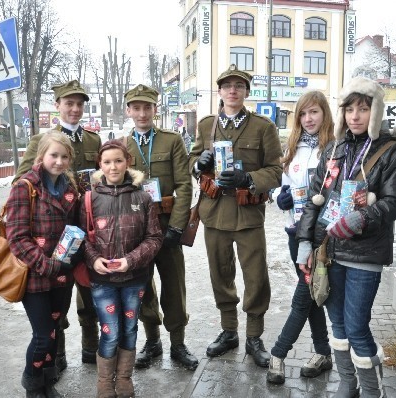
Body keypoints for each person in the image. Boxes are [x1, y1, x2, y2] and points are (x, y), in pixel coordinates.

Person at [295, 77, 396, 398]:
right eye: (349, 109)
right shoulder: (333, 150)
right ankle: (348, 384)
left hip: (365, 254)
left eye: (363, 108)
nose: (355, 116)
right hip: (329, 252)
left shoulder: (391, 151)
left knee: (357, 327)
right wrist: (306, 241)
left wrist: (362, 217)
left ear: (375, 112)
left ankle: (373, 391)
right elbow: (315, 199)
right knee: (339, 327)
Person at [188, 64, 282, 368]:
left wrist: (247, 179)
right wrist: (199, 163)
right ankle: (229, 331)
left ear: (246, 91)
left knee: (256, 277)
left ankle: (254, 336)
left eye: (238, 86)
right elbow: (192, 159)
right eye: (227, 86)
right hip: (214, 212)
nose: (232, 90)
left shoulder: (263, 127)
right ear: (219, 91)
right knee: (220, 273)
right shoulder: (206, 126)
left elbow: (276, 171)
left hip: (247, 213)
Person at [15, 80, 102, 370]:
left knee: (89, 296)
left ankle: (91, 349)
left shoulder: (92, 141)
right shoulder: (41, 140)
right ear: (58, 106)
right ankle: (58, 355)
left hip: (85, 231)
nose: (75, 109)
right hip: (52, 236)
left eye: (79, 104)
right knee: (57, 304)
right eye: (69, 103)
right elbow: (23, 180)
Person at [120, 84, 198, 370]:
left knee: (174, 285)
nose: (142, 113)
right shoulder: (121, 146)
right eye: (136, 107)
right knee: (142, 286)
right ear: (128, 111)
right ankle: (152, 340)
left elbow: (183, 185)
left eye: (147, 107)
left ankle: (178, 343)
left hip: (167, 225)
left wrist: (177, 227)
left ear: (155, 110)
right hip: (136, 230)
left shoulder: (172, 140)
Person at [80, 140, 163, 398]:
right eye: (107, 162)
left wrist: (132, 260)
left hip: (134, 278)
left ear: (128, 161)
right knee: (110, 331)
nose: (113, 166)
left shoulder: (143, 197)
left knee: (129, 329)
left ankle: (124, 378)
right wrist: (94, 260)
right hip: (102, 281)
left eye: (118, 160)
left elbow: (154, 238)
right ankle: (105, 382)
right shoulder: (90, 199)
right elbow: (81, 237)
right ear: (100, 165)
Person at [266, 91, 335, 384]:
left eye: (314, 113)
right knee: (310, 294)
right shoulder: (292, 148)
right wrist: (277, 196)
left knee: (304, 294)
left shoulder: (334, 149)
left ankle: (279, 353)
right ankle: (323, 352)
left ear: (325, 115)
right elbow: (281, 186)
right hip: (295, 232)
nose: (308, 119)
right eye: (303, 114)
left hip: (322, 235)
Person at [6, 132, 81, 398]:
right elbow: (16, 237)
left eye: (64, 157)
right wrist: (47, 265)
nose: (58, 161)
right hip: (36, 276)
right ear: (41, 157)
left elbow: (76, 229)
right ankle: (33, 384)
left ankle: (47, 382)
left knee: (55, 330)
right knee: (43, 336)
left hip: (62, 275)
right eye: (53, 155)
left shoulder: (71, 190)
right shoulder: (25, 187)